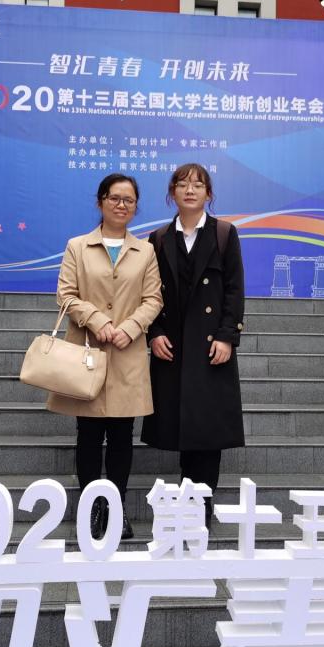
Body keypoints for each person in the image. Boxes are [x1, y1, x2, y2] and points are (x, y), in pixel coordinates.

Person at [47, 174, 162, 540]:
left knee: (122, 436)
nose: (121, 205)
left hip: (127, 354)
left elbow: (153, 299)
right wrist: (97, 321)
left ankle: (116, 508)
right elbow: (66, 295)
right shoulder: (78, 247)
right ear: (100, 201)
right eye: (114, 198)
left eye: (129, 200)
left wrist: (130, 327)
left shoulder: (145, 251)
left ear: (136, 207)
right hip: (88, 352)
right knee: (89, 435)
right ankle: (91, 509)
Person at [143, 163, 245, 526]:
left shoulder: (224, 233)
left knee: (207, 429)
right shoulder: (158, 239)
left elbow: (234, 289)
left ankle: (202, 505)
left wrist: (227, 335)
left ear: (208, 194)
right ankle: (187, 499)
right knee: (182, 427)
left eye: (198, 185)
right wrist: (153, 332)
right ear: (172, 192)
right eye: (183, 184)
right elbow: (148, 293)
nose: (190, 190)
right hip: (172, 347)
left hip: (210, 347)